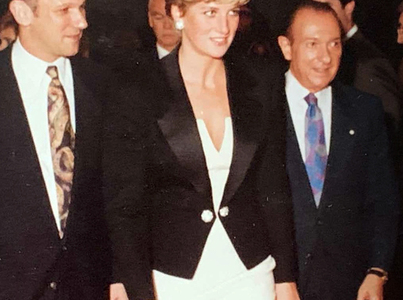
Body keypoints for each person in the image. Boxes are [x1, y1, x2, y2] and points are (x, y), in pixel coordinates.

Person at [106, 0, 299, 299]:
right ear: (178, 13)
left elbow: (272, 186)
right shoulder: (137, 91)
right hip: (173, 280)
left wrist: (286, 278)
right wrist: (136, 287)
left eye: (232, 11)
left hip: (251, 273)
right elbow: (125, 205)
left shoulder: (262, 82)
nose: (224, 27)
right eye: (210, 11)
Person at [0, 0, 113, 298]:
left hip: (85, 288)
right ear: (23, 13)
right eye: (64, 10)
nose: (81, 22)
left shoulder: (102, 85)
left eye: (82, 7)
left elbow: (114, 198)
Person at [277, 1, 400, 299]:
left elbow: (382, 198)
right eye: (312, 44)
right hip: (279, 285)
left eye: (334, 44)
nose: (325, 57)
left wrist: (377, 271)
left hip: (351, 285)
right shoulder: (260, 109)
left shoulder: (364, 110)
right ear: (286, 47)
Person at [314, 0, 402, 141]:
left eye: (327, 6)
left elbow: (387, 134)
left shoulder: (368, 63)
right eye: (314, 6)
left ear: (349, 8)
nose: (318, 14)